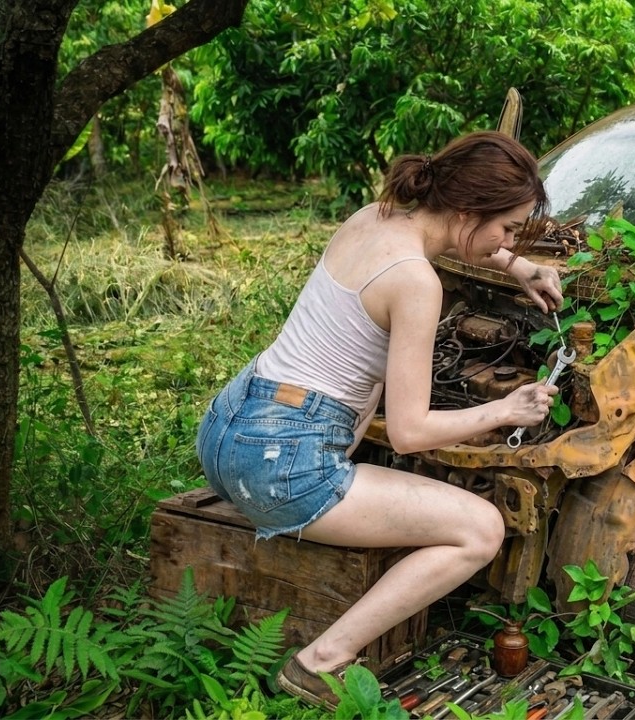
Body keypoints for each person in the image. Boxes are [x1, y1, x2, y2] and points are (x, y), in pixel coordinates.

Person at [194, 131, 562, 709]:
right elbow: (411, 432)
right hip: (285, 465)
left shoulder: (376, 215)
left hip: (227, 429)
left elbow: (460, 239)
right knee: (482, 529)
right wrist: (506, 409)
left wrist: (519, 264)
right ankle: (319, 663)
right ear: (469, 211)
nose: (508, 240)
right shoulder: (417, 281)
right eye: (509, 229)